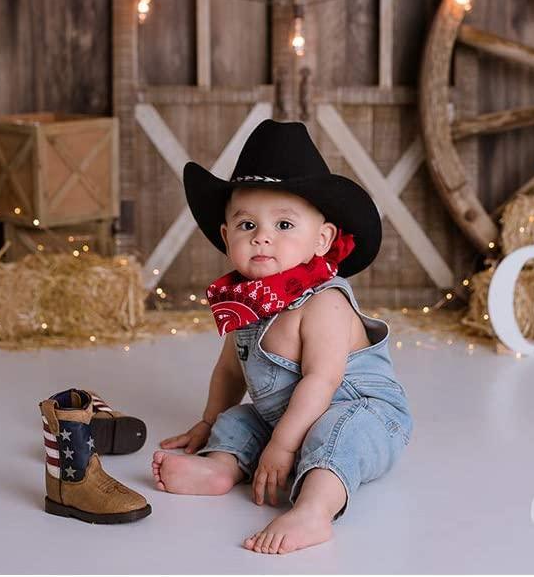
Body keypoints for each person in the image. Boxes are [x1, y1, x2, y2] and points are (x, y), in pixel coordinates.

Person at [150, 119, 413, 555]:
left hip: (361, 412)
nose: (263, 237)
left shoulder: (324, 302)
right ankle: (220, 467)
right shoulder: (246, 304)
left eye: (285, 225)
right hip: (288, 418)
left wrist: (283, 445)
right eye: (247, 225)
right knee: (236, 420)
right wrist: (208, 422)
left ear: (323, 239)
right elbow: (229, 371)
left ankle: (315, 510)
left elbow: (321, 383)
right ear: (225, 235)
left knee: (337, 433)